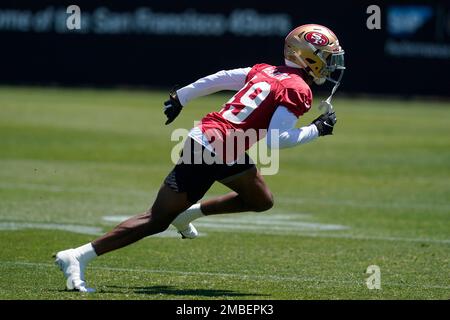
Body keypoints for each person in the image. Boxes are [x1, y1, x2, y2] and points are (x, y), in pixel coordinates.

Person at [54, 24, 345, 292]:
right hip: (211, 149)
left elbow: (220, 79)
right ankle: (78, 256)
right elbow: (275, 140)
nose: (331, 64)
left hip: (224, 145)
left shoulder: (266, 71)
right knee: (156, 220)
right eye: (327, 57)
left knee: (260, 200)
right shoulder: (297, 88)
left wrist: (182, 96)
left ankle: (188, 212)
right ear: (308, 57)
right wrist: (317, 129)